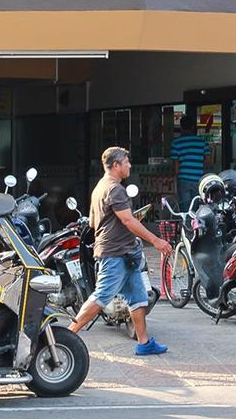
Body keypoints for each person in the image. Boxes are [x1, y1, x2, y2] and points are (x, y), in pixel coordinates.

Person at [69, 146, 171, 356]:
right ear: (116, 165)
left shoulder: (100, 187)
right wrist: (156, 240)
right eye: (126, 162)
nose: (129, 166)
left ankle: (144, 343)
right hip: (114, 253)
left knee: (138, 298)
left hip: (126, 253)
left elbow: (94, 221)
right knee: (102, 296)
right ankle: (67, 336)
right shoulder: (115, 189)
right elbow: (126, 219)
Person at [170, 115, 208, 211]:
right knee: (197, 208)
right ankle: (196, 225)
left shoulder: (176, 143)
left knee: (185, 208)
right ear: (192, 127)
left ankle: (186, 225)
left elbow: (176, 165)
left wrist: (176, 178)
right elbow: (208, 160)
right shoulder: (202, 142)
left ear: (181, 127)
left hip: (184, 179)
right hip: (199, 179)